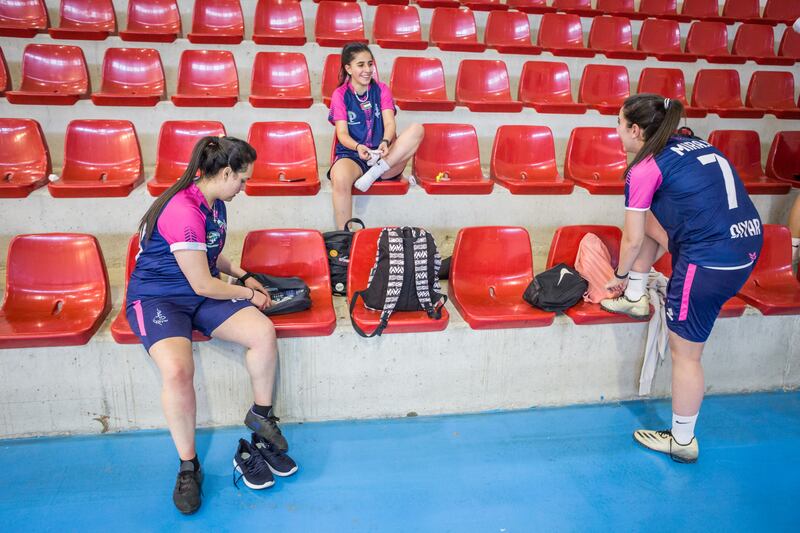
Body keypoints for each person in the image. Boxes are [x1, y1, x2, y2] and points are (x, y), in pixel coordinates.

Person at [126, 136, 295, 514]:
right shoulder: (182, 209)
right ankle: (189, 466)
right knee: (177, 370)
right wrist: (248, 295)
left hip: (199, 292)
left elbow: (210, 255)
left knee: (262, 333)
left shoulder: (216, 202)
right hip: (159, 298)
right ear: (225, 172)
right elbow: (202, 281)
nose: (245, 187)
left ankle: (261, 420)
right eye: (243, 180)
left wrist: (244, 274)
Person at [600, 95, 764, 463]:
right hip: (748, 245)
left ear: (636, 130)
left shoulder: (644, 168)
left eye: (618, 123)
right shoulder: (692, 142)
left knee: (686, 355)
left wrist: (620, 275)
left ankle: (682, 440)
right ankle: (637, 297)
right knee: (655, 215)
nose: (616, 130)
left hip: (709, 261)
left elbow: (631, 239)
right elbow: (665, 222)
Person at [327, 42, 424, 229]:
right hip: (354, 156)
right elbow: (342, 134)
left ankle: (376, 170)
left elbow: (389, 123)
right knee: (339, 178)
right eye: (361, 65)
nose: (368, 69)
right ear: (348, 68)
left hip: (384, 157)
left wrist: (386, 142)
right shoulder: (340, 94)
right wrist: (358, 147)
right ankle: (345, 237)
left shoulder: (382, 89)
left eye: (370, 64)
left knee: (417, 129)